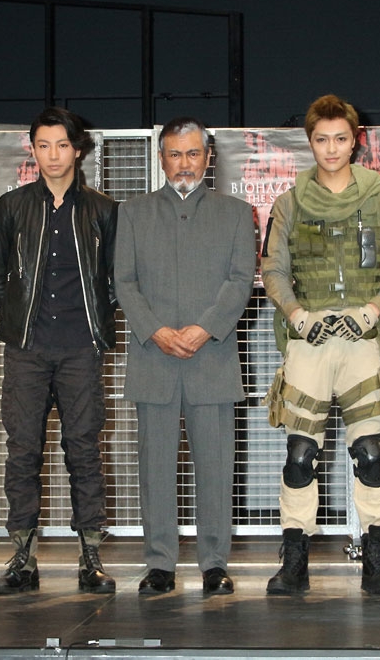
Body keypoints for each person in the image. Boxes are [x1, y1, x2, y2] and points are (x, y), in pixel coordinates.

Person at [261, 94, 380, 596]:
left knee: (370, 453)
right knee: (300, 454)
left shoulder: (379, 197)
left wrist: (371, 310)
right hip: (308, 339)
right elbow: (273, 270)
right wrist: (297, 315)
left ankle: (376, 560)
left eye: (340, 139)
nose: (331, 148)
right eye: (322, 139)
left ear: (355, 141)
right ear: (310, 142)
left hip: (362, 338)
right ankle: (295, 562)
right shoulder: (289, 203)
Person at [114, 117, 255, 596]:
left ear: (208, 157)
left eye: (193, 153)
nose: (184, 164)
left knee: (216, 466)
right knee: (155, 468)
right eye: (174, 154)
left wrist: (205, 328)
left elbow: (240, 280)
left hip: (211, 357)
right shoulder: (133, 213)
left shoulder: (236, 213)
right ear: (161, 159)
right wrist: (154, 330)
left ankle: (215, 564)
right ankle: (160, 564)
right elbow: (124, 281)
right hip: (153, 358)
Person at [0, 107, 118, 595]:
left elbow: (116, 280)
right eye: (44, 145)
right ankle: (23, 556)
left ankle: (91, 556)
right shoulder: (12, 206)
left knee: (84, 450)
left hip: (82, 348)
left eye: (62, 145)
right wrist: (19, 319)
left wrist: (96, 324)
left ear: (77, 149)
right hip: (28, 349)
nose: (53, 155)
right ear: (32, 150)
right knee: (22, 451)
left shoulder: (103, 210)